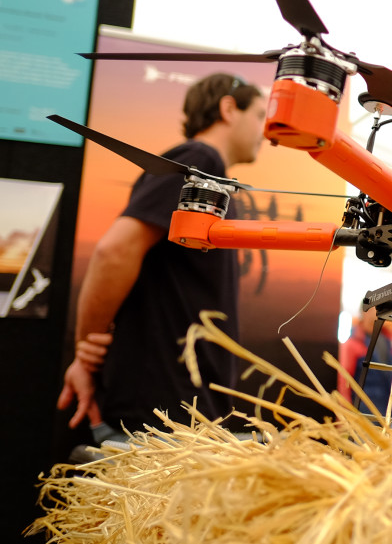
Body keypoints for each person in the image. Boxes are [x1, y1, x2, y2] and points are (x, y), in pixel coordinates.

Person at [58, 73, 267, 442]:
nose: (265, 132)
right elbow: (114, 251)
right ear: (229, 109)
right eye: (260, 115)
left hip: (174, 411)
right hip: (162, 410)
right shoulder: (197, 161)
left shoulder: (207, 171)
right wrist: (85, 351)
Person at [339, 306, 392, 415]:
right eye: (375, 309)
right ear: (365, 312)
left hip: (387, 408)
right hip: (363, 411)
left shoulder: (386, 340)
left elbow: (391, 375)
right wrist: (345, 414)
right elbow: (344, 381)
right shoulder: (353, 343)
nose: (378, 313)